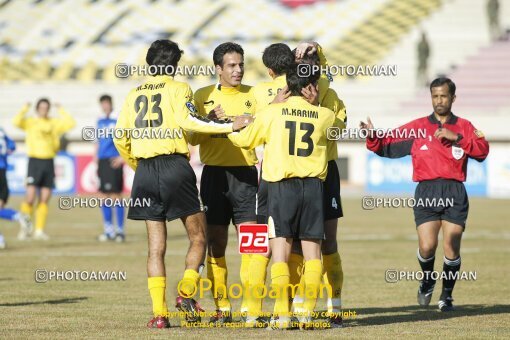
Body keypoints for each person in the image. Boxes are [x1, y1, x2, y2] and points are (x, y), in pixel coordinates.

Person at [113, 39, 253, 329]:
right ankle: (186, 291)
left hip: (145, 172)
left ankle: (160, 315)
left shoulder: (133, 93)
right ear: (173, 64)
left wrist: (138, 166)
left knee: (155, 248)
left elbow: (120, 138)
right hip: (175, 168)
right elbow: (189, 123)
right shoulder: (179, 89)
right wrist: (229, 125)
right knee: (200, 237)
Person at [229, 68, 345, 329]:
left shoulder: (271, 111)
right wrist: (315, 107)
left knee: (277, 251)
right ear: (311, 88)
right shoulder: (325, 115)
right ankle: (306, 314)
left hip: (280, 187)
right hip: (315, 187)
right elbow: (338, 133)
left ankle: (280, 314)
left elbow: (245, 140)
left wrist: (234, 127)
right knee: (312, 253)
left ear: (287, 87)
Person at [361, 77, 489, 312]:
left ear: (453, 98)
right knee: (428, 246)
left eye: (443, 96)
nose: (439, 100)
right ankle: (427, 279)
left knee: (451, 245)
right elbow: (386, 145)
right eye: (435, 96)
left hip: (455, 192)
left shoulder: (465, 126)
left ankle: (447, 296)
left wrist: (457, 138)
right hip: (426, 192)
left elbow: (482, 151)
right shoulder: (417, 127)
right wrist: (372, 136)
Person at [188, 42, 258, 324]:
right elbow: (192, 138)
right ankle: (223, 307)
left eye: (240, 64)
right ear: (218, 69)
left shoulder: (255, 95)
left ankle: (252, 308)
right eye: (231, 65)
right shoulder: (202, 95)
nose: (238, 70)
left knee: (252, 244)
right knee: (216, 243)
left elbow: (267, 125)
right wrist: (208, 121)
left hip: (246, 175)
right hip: (214, 175)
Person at [12, 99, 76, 240]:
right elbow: (16, 122)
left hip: (48, 161)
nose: (44, 110)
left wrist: (61, 109)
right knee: (29, 197)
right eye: (41, 107)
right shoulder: (30, 122)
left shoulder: (53, 122)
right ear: (37, 109)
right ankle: (25, 228)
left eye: (46, 108)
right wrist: (24, 108)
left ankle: (39, 231)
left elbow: (71, 123)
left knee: (44, 198)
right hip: (34, 161)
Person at [95, 94, 125, 242]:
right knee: (103, 196)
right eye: (103, 104)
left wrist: (122, 157)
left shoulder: (118, 119)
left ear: (111, 103)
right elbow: (97, 142)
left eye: (107, 103)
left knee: (115, 196)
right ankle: (109, 231)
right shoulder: (100, 121)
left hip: (114, 160)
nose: (105, 106)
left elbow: (127, 138)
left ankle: (120, 231)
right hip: (102, 161)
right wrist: (96, 161)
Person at [0, 127, 32, 248]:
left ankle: (18, 216)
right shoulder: (2, 131)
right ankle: (1, 240)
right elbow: (12, 147)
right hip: (2, 172)